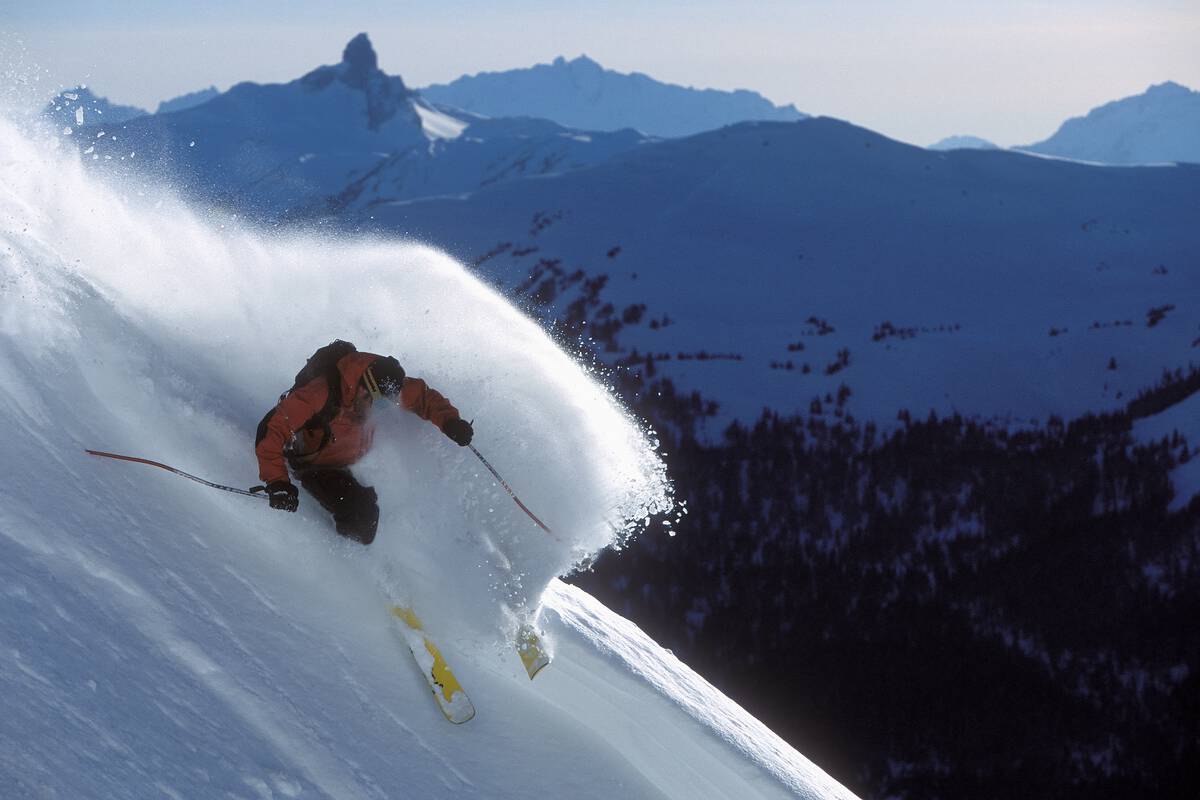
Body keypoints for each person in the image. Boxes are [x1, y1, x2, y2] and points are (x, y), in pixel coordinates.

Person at [254, 347, 473, 544]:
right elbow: (272, 430)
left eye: (385, 405)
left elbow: (423, 398)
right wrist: (278, 482)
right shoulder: (319, 394)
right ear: (362, 389)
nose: (379, 411)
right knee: (362, 517)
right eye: (377, 404)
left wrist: (450, 422)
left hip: (342, 460)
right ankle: (337, 562)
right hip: (313, 464)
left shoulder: (383, 387)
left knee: (367, 514)